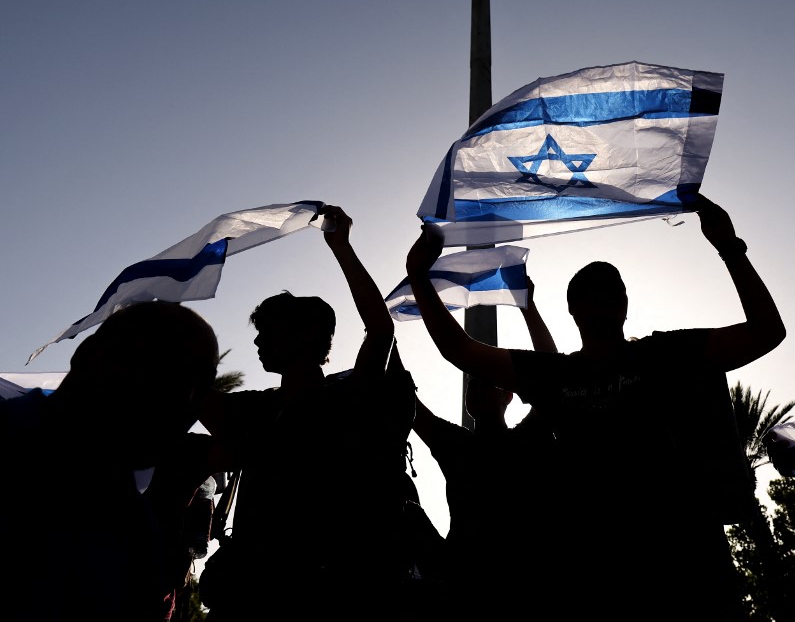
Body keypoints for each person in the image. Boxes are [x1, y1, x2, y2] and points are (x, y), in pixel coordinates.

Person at [404, 193, 786, 618]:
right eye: (593, 293)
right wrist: (418, 275)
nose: (605, 299)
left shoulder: (665, 354)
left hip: (687, 563)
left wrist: (729, 246)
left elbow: (767, 332)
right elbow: (461, 350)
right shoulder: (558, 376)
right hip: (594, 577)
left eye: (613, 292)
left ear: (625, 303)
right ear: (573, 308)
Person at [197, 205, 414, 620]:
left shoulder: (350, 396)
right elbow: (188, 393)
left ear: (309, 334)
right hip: (250, 598)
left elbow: (381, 330)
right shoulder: (256, 407)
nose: (259, 342)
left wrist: (341, 246)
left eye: (270, 331)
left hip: (328, 597)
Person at [0, 301, 220, 622]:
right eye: (167, 371)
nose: (187, 404)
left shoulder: (135, 527)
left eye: (201, 387)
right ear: (89, 355)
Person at [410, 276, 559, 618]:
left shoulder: (526, 440)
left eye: (486, 382)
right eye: (472, 384)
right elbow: (406, 401)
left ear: (509, 395)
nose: (475, 388)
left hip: (524, 588)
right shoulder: (457, 445)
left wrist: (528, 307)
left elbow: (551, 376)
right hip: (471, 592)